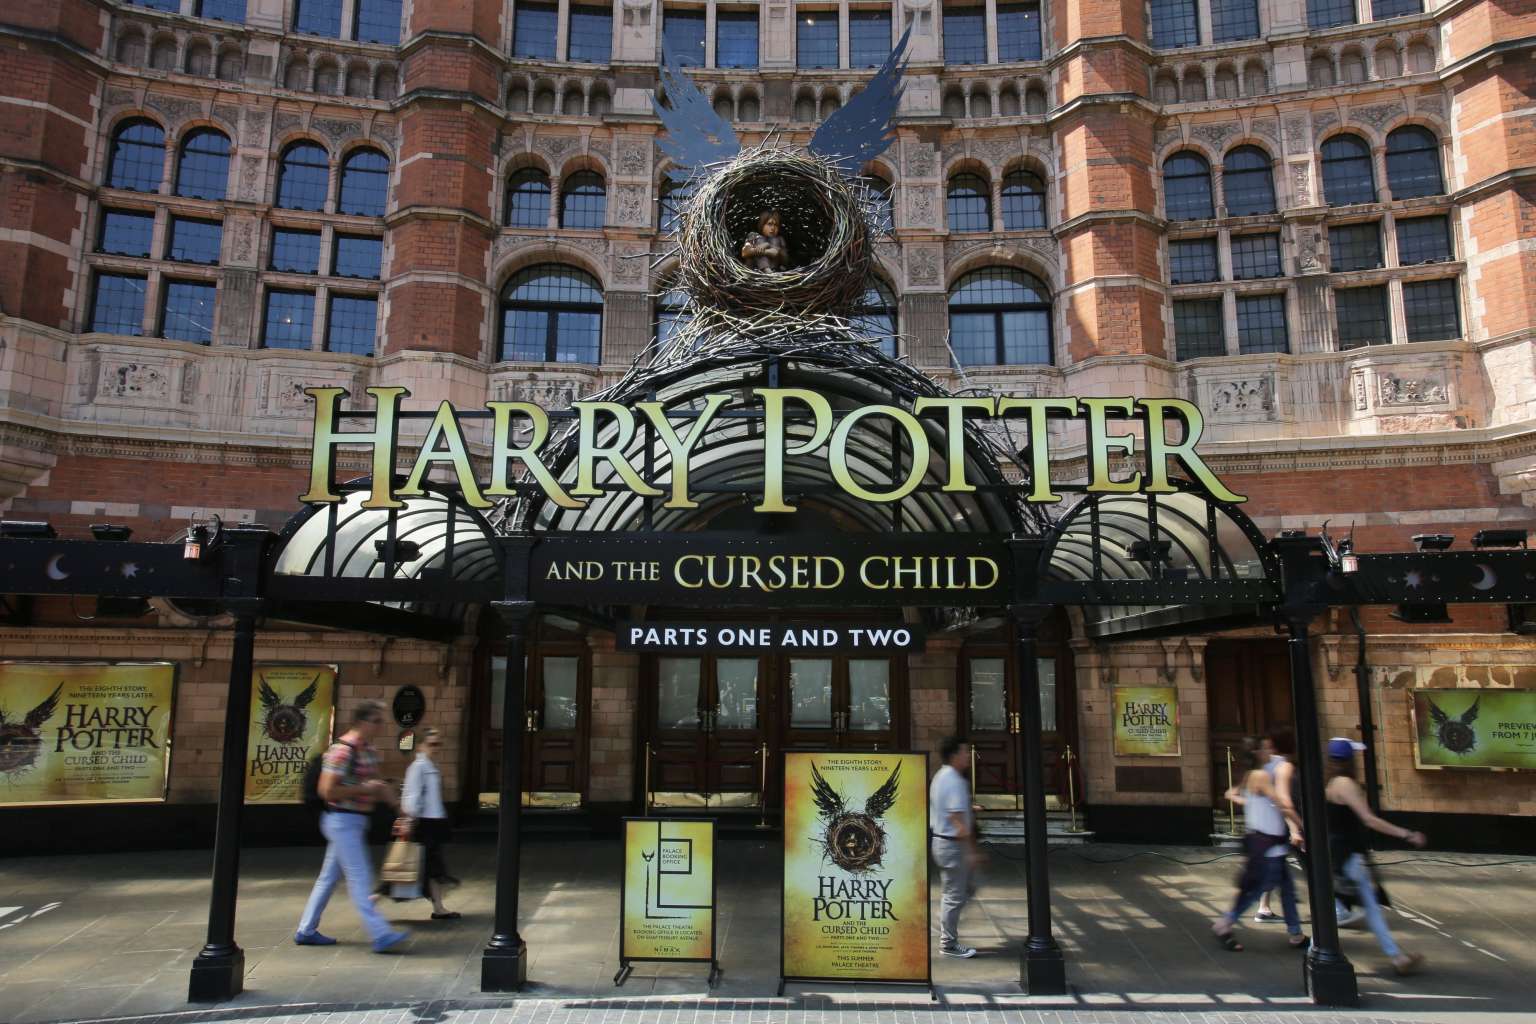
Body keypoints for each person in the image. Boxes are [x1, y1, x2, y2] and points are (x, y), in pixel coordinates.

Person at [295, 700, 411, 953]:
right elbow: (327, 791)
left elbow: (378, 784)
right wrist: (363, 789)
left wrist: (398, 808)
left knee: (328, 878)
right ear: (361, 721)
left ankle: (306, 929)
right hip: (341, 820)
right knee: (360, 877)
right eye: (376, 721)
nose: (381, 726)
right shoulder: (342, 751)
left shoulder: (368, 750)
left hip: (355, 820)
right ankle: (380, 933)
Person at [1325, 736, 1427, 975]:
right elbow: (1369, 819)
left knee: (1360, 907)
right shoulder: (1345, 784)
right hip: (1350, 856)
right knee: (1365, 908)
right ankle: (1396, 957)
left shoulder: (1330, 783)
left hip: (1340, 854)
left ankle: (1397, 957)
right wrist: (1407, 834)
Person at [1212, 739, 1308, 951]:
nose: (1270, 751)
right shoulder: (1261, 776)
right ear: (1257, 752)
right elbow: (1284, 805)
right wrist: (1301, 827)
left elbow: (1231, 794)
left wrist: (1253, 805)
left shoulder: (1250, 776)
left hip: (1267, 842)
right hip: (1267, 844)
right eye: (1266, 748)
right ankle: (1225, 923)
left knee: (1286, 889)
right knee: (1256, 890)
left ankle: (1296, 933)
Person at [929, 735, 981, 959]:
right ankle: (948, 943)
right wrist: (971, 852)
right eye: (964, 752)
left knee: (961, 890)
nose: (967, 756)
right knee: (954, 895)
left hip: (943, 842)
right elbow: (957, 820)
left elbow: (951, 810)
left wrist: (969, 808)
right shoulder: (954, 781)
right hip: (952, 845)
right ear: (954, 755)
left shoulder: (941, 776)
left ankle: (946, 919)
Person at [401, 727, 460, 919]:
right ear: (420, 745)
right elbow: (412, 794)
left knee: (432, 867)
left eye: (438, 744)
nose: (436, 748)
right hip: (424, 823)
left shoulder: (431, 766)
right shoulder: (418, 767)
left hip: (434, 821)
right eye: (432, 744)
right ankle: (371, 900)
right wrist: (410, 818)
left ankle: (439, 908)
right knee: (429, 867)